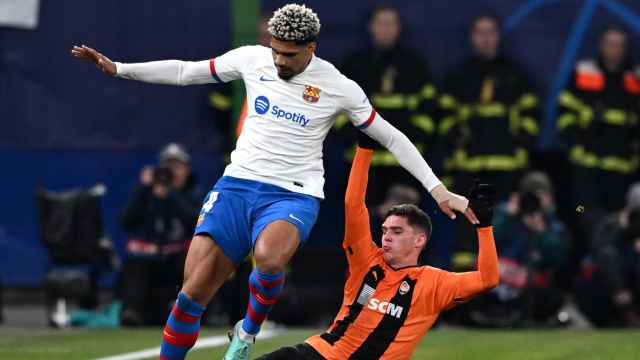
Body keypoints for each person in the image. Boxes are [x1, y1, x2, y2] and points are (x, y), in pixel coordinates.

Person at [71, 4, 477, 359]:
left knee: (268, 257)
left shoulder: (338, 86)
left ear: (311, 49)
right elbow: (185, 72)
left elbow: (391, 136)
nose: (279, 61)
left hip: (293, 193)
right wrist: (119, 68)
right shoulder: (253, 58)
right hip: (237, 185)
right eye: (276, 51)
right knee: (190, 295)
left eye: (289, 55)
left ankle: (247, 331)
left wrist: (438, 190)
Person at [255, 136, 498, 360]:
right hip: (321, 354)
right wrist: (364, 149)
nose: (387, 238)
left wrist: (484, 227)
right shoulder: (366, 260)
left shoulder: (433, 284)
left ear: (419, 240)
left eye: (397, 231)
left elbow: (488, 279)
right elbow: (353, 205)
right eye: (384, 231)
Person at [335, 4, 438, 207]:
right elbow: (337, 111)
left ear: (399, 27)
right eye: (381, 23)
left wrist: (408, 140)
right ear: (371, 27)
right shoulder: (354, 65)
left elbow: (429, 112)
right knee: (361, 225)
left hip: (405, 166)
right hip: (362, 163)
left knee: (402, 226)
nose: (385, 28)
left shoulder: (415, 65)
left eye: (390, 23)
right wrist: (354, 140)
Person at [439, 14, 539, 201]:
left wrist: (519, 140)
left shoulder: (516, 75)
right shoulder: (458, 76)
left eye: (490, 32)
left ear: (498, 36)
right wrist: (458, 139)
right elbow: (445, 116)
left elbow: (531, 114)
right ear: (471, 36)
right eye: (480, 32)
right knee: (469, 228)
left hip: (509, 170)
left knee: (503, 228)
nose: (485, 38)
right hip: (467, 170)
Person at [557, 26, 640, 240]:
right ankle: (585, 262)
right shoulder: (584, 72)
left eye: (620, 45)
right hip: (586, 168)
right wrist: (577, 140)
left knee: (616, 223)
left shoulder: (635, 78)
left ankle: (603, 264)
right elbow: (564, 112)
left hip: (621, 171)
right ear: (601, 46)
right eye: (610, 44)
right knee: (581, 212)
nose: (615, 50)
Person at [119, 143, 202, 326]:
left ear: (187, 170)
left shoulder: (193, 193)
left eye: (177, 167)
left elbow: (195, 222)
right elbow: (126, 222)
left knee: (192, 262)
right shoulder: (147, 193)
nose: (172, 172)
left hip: (179, 258)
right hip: (151, 258)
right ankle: (131, 312)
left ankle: (186, 311)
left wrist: (171, 195)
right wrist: (143, 189)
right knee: (134, 263)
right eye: (168, 166)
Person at [576, 182, 640, 327]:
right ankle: (624, 308)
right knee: (607, 256)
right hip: (614, 280)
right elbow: (600, 249)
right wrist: (621, 228)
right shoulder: (611, 222)